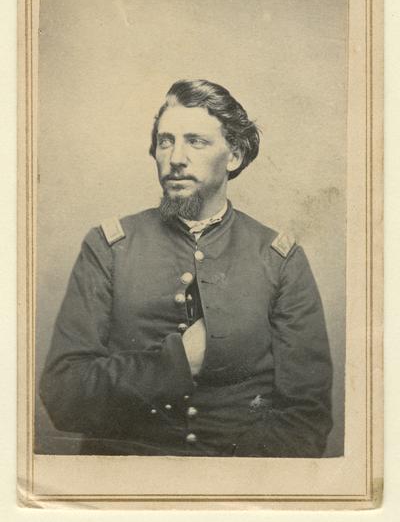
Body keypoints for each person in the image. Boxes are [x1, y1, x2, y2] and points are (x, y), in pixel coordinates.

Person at [40, 79, 333, 457]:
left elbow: (306, 418)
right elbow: (64, 396)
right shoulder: (110, 247)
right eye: (166, 141)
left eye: (195, 141)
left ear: (234, 156)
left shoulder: (279, 259)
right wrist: (175, 363)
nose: (175, 157)